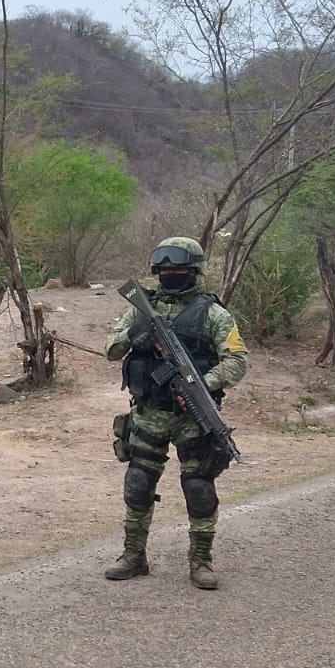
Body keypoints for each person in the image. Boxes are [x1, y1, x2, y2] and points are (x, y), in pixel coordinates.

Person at [103, 237, 248, 589]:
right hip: (149, 412)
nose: (171, 275)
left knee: (198, 486)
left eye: (179, 270)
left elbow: (237, 361)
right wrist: (134, 336)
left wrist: (202, 383)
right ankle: (133, 556)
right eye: (165, 270)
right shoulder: (140, 308)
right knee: (138, 484)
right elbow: (111, 349)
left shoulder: (213, 313)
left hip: (191, 415)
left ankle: (201, 561)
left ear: (193, 272)